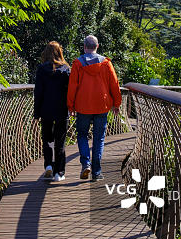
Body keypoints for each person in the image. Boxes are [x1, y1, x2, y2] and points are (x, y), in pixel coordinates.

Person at [67, 34, 121, 181]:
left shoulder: (78, 64)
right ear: (97, 47)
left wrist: (70, 105)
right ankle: (97, 173)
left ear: (84, 47)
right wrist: (116, 103)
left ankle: (86, 164)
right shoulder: (106, 63)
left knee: (82, 135)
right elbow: (114, 85)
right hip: (102, 106)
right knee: (99, 138)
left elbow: (72, 86)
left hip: (83, 106)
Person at [34, 41, 71, 181]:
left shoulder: (41, 69)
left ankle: (48, 165)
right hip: (62, 110)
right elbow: (70, 91)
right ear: (59, 52)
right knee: (60, 142)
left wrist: (36, 113)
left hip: (46, 110)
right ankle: (58, 173)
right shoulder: (66, 69)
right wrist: (72, 107)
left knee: (47, 139)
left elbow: (38, 93)